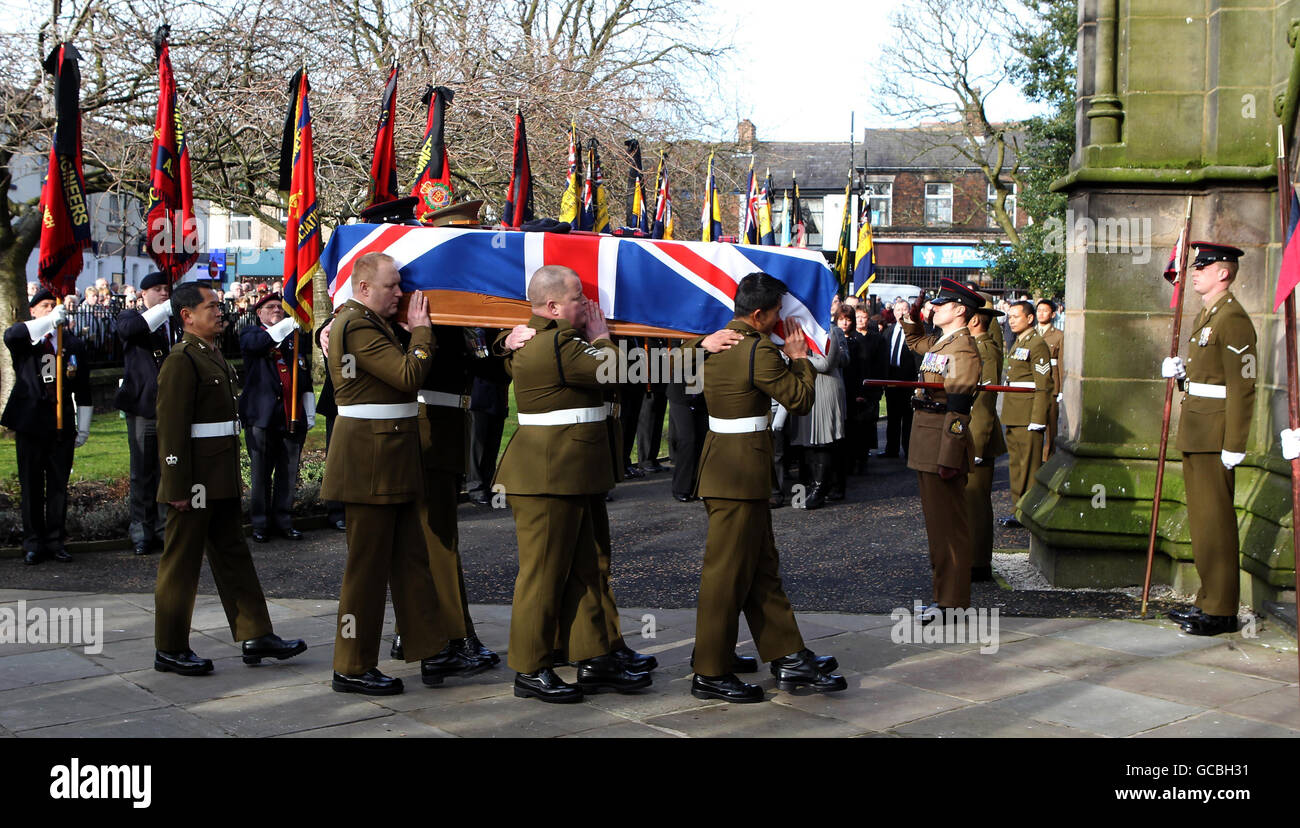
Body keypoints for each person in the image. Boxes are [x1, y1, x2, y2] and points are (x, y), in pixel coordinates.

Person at [492, 265, 656, 703]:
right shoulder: (561, 343)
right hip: (549, 475)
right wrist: (603, 337)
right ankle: (530, 667)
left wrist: (502, 341)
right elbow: (620, 372)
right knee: (543, 576)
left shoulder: (542, 339)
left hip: (569, 473)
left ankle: (594, 654)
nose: (585, 304)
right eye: (577, 298)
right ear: (551, 307)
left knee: (587, 568)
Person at [687, 272, 846, 702]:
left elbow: (683, 360)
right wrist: (798, 358)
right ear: (758, 315)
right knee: (726, 576)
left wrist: (697, 343)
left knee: (761, 569)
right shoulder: (758, 351)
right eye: (777, 313)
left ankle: (787, 654)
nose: (782, 320)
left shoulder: (716, 341)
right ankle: (709, 670)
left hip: (727, 468)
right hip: (739, 475)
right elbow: (799, 399)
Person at [153, 281, 306, 676]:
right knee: (181, 564)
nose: (219, 312)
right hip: (195, 481)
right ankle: (169, 646)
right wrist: (176, 486)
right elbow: (171, 429)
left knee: (234, 555)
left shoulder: (210, 353)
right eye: (210, 307)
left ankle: (256, 634)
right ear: (186, 316)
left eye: (219, 306)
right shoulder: (182, 359)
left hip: (218, 475)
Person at [387, 324, 503, 670]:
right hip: (427, 428)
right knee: (438, 541)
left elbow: (487, 368)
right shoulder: (414, 319)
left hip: (448, 424)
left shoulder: (454, 320)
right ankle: (453, 635)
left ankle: (410, 632)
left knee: (432, 538)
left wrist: (503, 341)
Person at [1164, 243, 1256, 636]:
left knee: (1216, 522)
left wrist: (1235, 443)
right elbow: (1210, 380)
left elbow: (1243, 385)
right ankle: (1207, 598)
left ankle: (1222, 609)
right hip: (1199, 430)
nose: (1194, 272)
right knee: (1202, 522)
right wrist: (1183, 375)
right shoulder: (1209, 315)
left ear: (1224, 272)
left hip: (1216, 435)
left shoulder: (1232, 318)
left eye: (1202, 266)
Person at [900, 278, 983, 619]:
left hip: (940, 446)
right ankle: (944, 597)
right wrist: (909, 317)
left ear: (960, 309)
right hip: (926, 442)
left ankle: (951, 602)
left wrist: (950, 455)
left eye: (940, 304)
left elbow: (959, 409)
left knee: (949, 529)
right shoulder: (943, 343)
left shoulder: (962, 349)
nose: (934, 307)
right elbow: (917, 342)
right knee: (938, 527)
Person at [3, 288, 92, 565]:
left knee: (57, 486)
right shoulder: (28, 341)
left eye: (54, 306)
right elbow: (11, 335)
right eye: (43, 305)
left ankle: (55, 540)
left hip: (60, 425)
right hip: (31, 424)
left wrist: (84, 427)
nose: (51, 309)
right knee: (31, 485)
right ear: (33, 311)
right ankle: (33, 543)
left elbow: (84, 388)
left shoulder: (71, 344)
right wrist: (46, 322)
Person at [238, 293, 314, 542]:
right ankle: (260, 523)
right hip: (262, 417)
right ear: (258, 312)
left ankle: (284, 520)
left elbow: (304, 373)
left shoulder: (294, 337)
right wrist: (288, 323)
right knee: (261, 473)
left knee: (288, 472)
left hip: (291, 415)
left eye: (281, 308)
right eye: (270, 307)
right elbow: (259, 345)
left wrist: (308, 409)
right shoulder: (251, 333)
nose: (277, 311)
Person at [114, 271, 178, 556]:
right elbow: (132, 331)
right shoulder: (130, 317)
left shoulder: (174, 324)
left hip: (173, 409)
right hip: (143, 408)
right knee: (142, 472)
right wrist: (164, 309)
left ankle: (164, 530)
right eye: (157, 289)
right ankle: (141, 531)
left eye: (167, 289)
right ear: (143, 294)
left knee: (168, 471)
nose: (164, 293)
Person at [1000, 300, 1052, 528]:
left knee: (1029, 467)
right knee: (1016, 466)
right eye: (1009, 317)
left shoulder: (1037, 343)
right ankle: (1017, 509)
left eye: (1016, 316)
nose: (1011, 320)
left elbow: (1044, 384)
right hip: (1014, 413)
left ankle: (1028, 511)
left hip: (1028, 415)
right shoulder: (1019, 341)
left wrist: (1038, 419)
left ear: (1030, 318)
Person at [965, 295, 1006, 582]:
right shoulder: (974, 346)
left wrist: (977, 443)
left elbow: (984, 399)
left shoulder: (985, 350)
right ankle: (969, 557)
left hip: (977, 436)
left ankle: (978, 562)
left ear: (976, 319)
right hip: (967, 433)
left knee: (976, 501)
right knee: (967, 501)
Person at [790, 307, 848, 508]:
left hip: (825, 388)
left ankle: (820, 489)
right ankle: (812, 486)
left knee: (823, 440)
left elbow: (826, 364)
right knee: (809, 442)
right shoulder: (800, 331)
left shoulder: (828, 330)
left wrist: (798, 358)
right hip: (808, 387)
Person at [465, 329, 509, 506]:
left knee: (492, 442)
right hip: (479, 393)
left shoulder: (500, 333)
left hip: (498, 391)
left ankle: (487, 483)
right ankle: (475, 486)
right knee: (477, 444)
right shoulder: (476, 333)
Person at [313, 314, 346, 532]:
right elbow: (324, 332)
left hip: (364, 404)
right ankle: (337, 512)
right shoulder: (334, 323)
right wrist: (321, 332)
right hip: (338, 403)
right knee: (338, 460)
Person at [881, 297, 918, 458]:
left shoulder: (915, 331)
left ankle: (909, 450)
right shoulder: (888, 331)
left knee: (908, 418)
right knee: (893, 416)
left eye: (904, 309)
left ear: (909, 312)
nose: (901, 313)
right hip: (891, 379)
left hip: (909, 380)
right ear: (893, 313)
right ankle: (891, 449)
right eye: (898, 310)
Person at [1036, 298, 1064, 460]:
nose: (1041, 313)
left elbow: (1061, 363)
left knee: (1051, 424)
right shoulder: (1030, 333)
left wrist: (1060, 390)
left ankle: (1049, 456)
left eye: (1045, 311)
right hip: (1033, 382)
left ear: (1053, 314)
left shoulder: (1058, 335)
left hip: (1052, 383)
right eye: (1039, 310)